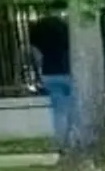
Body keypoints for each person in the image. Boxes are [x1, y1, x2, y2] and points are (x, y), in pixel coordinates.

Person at [28, 11, 75, 153]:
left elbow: (36, 54)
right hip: (68, 72)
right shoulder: (67, 27)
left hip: (49, 74)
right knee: (73, 110)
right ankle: (72, 142)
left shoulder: (38, 27)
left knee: (59, 111)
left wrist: (40, 71)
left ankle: (61, 144)